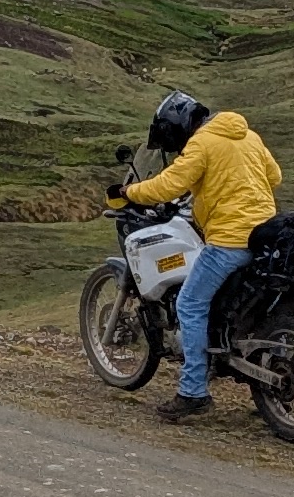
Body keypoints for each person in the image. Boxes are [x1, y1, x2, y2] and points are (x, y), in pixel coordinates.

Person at [106, 90, 283, 423]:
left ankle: (193, 394)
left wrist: (129, 192)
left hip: (230, 239)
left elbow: (168, 185)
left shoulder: (202, 143)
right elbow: (274, 177)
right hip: (264, 235)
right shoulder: (248, 135)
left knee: (189, 303)